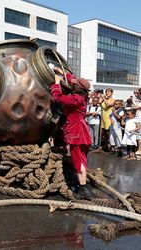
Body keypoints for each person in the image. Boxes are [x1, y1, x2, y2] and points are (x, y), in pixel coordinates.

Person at [51, 67, 92, 199]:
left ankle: (83, 189)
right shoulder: (83, 97)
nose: (72, 84)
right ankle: (82, 185)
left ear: (78, 88)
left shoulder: (76, 99)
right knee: (81, 160)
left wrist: (57, 82)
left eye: (75, 85)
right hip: (82, 132)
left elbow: (58, 97)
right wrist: (62, 72)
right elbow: (72, 79)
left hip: (77, 134)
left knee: (78, 161)